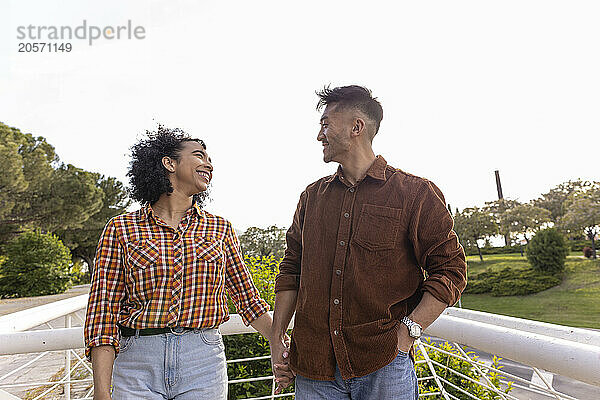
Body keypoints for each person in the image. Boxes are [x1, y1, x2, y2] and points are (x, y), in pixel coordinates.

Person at [270, 85, 468, 399]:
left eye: (325, 125)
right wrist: (277, 337)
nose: (319, 135)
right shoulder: (310, 198)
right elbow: (291, 271)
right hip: (313, 369)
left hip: (384, 365)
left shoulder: (416, 193)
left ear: (356, 127)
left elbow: (450, 271)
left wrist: (408, 331)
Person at [84, 126, 273, 400]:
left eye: (209, 159)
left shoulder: (220, 228)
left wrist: (278, 342)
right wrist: (101, 392)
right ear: (169, 163)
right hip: (137, 360)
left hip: (203, 360)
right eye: (199, 155)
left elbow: (248, 299)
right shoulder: (121, 228)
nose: (209, 163)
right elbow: (103, 312)